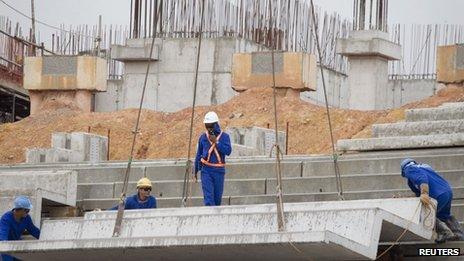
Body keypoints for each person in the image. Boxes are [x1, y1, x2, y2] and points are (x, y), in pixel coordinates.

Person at [401, 158, 464, 243]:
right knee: (444, 215)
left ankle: (444, 232)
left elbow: (421, 178)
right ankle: (458, 234)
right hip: (447, 191)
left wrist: (424, 193)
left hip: (437, 195)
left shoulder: (409, 169)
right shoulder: (425, 168)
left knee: (428, 215)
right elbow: (417, 193)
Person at [194, 111, 232, 206]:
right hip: (206, 170)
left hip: (219, 171)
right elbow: (199, 154)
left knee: (217, 199)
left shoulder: (224, 137)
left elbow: (228, 151)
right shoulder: (203, 137)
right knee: (209, 199)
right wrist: (195, 170)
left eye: (210, 125)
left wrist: (216, 142)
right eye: (207, 126)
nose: (208, 128)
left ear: (215, 124)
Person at [0, 196, 41, 261]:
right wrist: (5, 247)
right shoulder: (6, 219)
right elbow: (3, 236)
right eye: (27, 210)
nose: (28, 212)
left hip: (16, 245)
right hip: (6, 246)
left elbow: (33, 230)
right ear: (21, 210)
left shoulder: (26, 218)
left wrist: (45, 237)